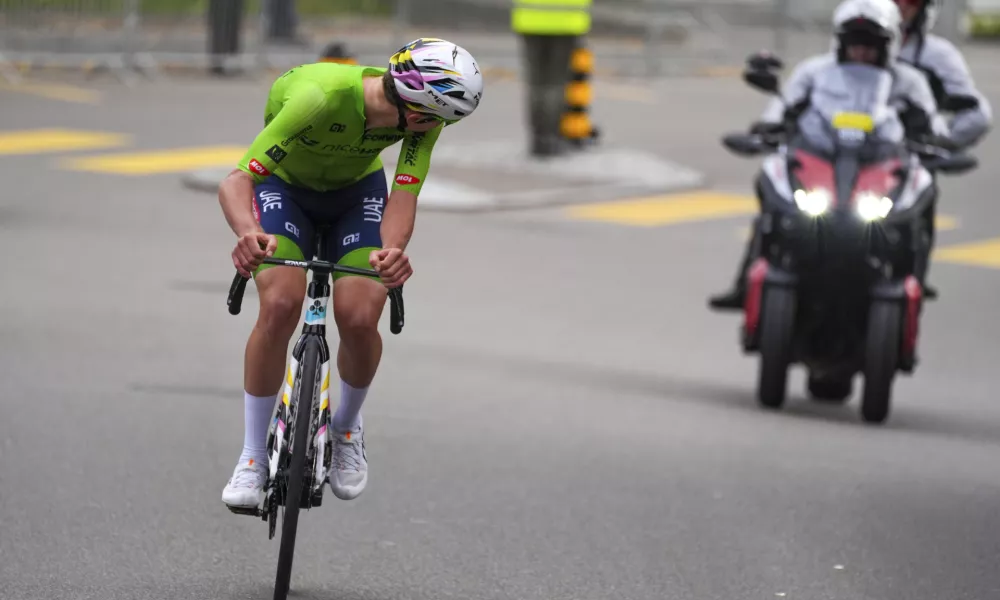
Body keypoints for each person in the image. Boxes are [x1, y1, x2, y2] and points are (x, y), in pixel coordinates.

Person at [218, 37, 484, 510]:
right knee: (279, 304)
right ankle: (253, 456)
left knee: (361, 314)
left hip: (356, 195)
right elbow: (239, 179)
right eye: (440, 118)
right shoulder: (318, 98)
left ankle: (345, 427)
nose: (439, 126)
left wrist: (392, 250)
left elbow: (403, 194)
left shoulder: (423, 119)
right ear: (417, 109)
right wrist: (246, 232)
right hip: (287, 191)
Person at [707, 0, 949, 311]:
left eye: (870, 44)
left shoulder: (909, 82)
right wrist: (766, 128)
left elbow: (929, 124)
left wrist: (935, 142)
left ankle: (915, 275)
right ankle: (744, 283)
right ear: (840, 41)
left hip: (878, 165)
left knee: (924, 192)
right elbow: (783, 108)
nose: (861, 51)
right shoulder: (814, 72)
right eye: (854, 43)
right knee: (770, 189)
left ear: (887, 45)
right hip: (821, 160)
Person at [891, 0, 993, 296]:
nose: (898, 8)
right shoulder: (850, 43)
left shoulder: (938, 55)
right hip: (842, 155)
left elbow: (976, 113)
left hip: (906, 164)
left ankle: (910, 286)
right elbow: (811, 92)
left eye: (907, 2)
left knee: (913, 228)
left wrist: (939, 142)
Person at [511, 0, 591, 157]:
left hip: (529, 19)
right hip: (567, 22)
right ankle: (551, 137)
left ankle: (538, 138)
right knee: (556, 85)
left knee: (536, 85)